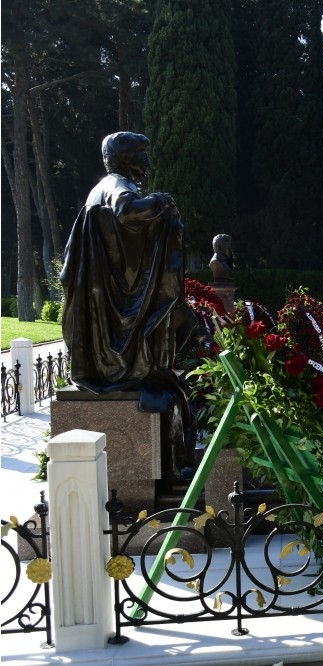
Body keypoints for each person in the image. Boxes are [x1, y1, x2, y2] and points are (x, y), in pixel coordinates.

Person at [61, 131, 202, 479]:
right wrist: (160, 203)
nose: (148, 163)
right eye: (143, 154)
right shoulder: (118, 184)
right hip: (110, 304)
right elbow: (126, 210)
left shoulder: (103, 186)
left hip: (104, 300)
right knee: (177, 327)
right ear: (125, 158)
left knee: (181, 325)